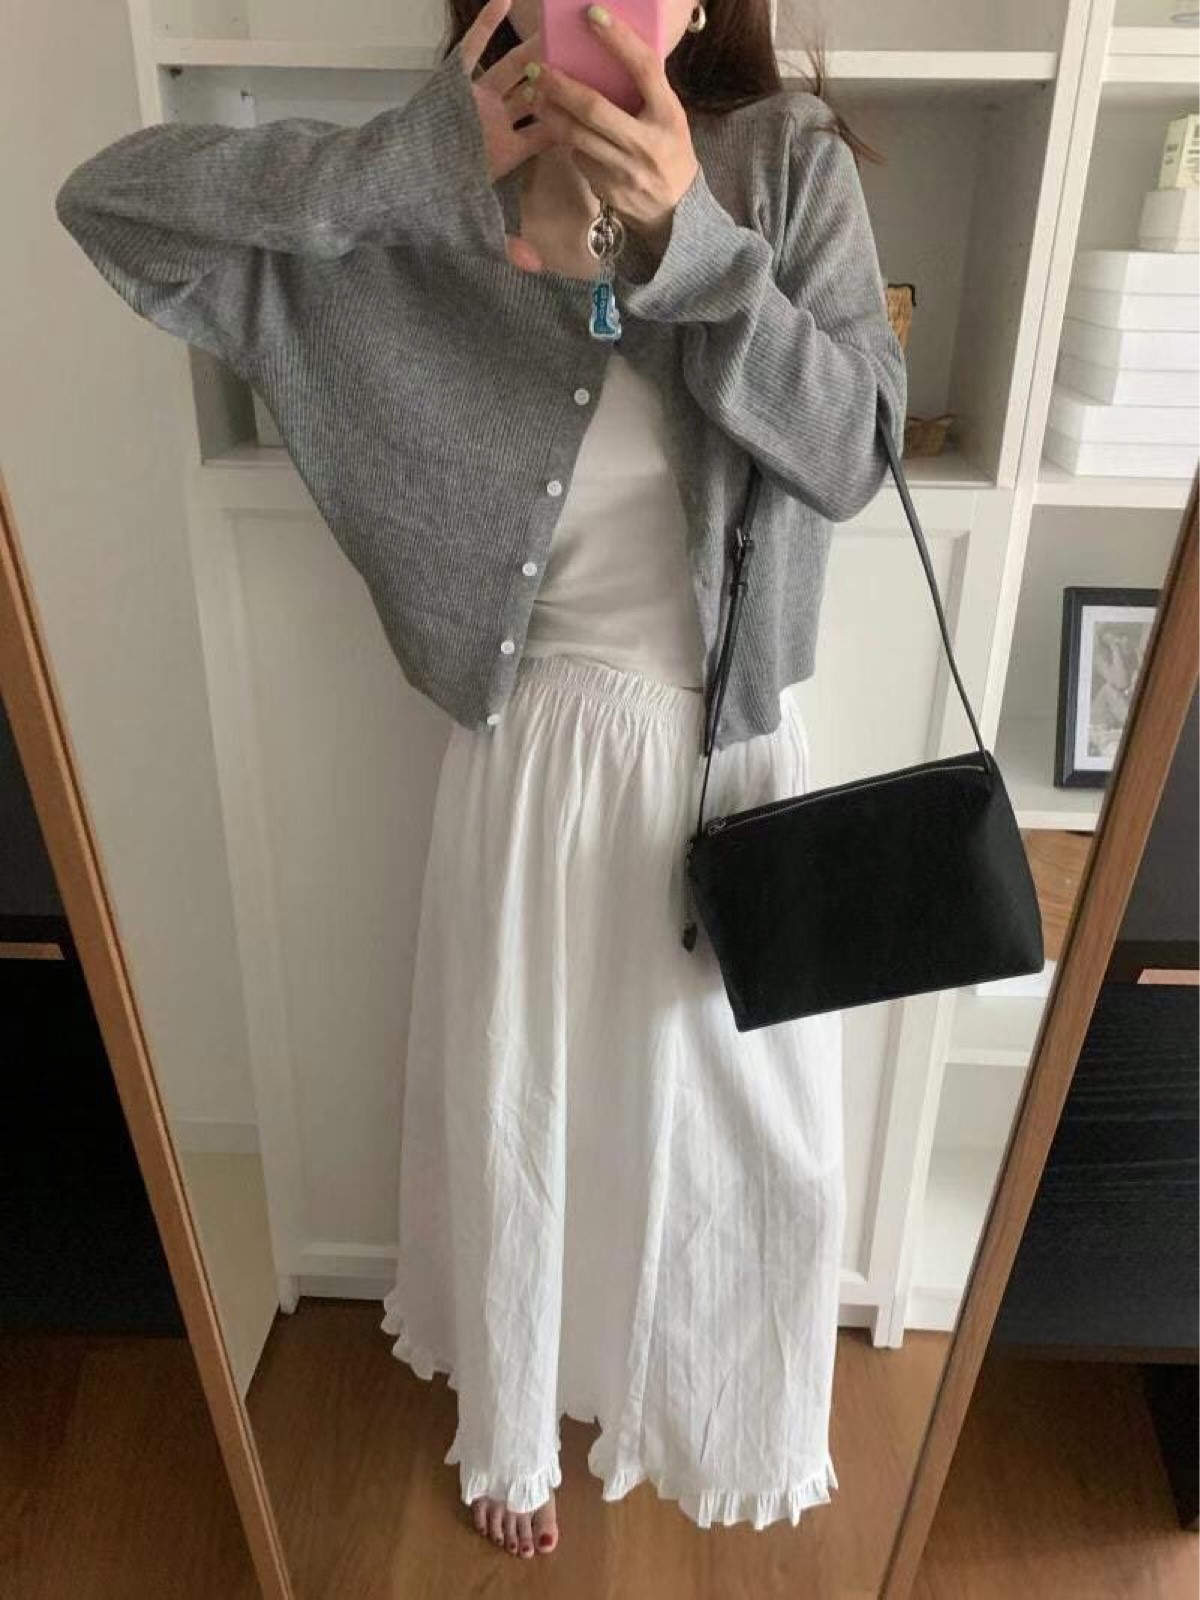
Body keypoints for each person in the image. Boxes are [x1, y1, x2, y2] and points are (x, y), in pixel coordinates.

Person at [54, 0, 907, 1562]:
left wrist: (696, 242)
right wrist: (402, 167)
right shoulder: (417, 188)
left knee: (746, 1135)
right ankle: (513, 1413)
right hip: (535, 764)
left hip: (732, 762)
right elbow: (109, 209)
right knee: (525, 1106)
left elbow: (857, 451)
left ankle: (715, 1401)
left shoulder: (786, 168)